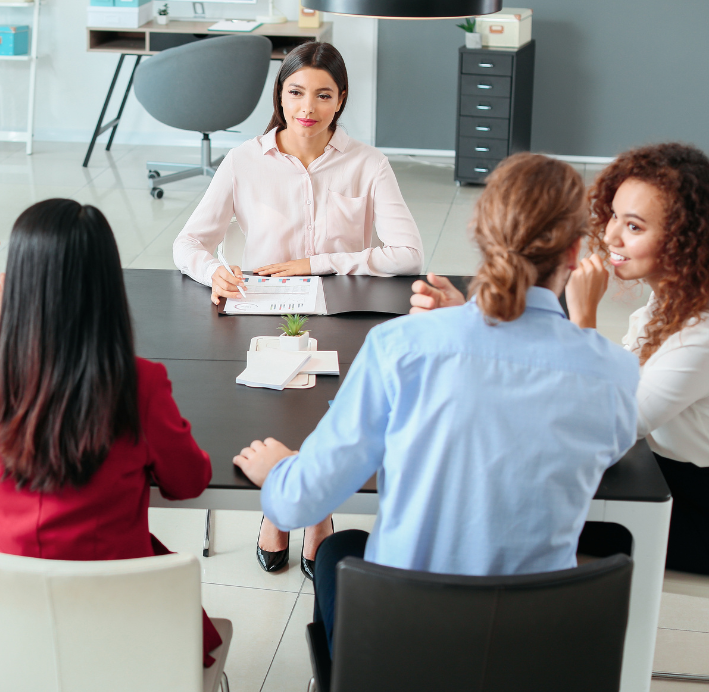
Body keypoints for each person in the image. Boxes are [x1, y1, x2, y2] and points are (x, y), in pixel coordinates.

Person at [232, 153, 639, 654]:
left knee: (339, 547)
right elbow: (604, 451)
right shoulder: (615, 372)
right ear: (576, 252)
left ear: (480, 233)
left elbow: (298, 504)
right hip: (534, 652)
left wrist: (279, 471)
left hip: (406, 646)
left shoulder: (402, 346)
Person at [172, 41, 424, 578]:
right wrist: (212, 270)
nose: (307, 107)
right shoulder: (244, 161)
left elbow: (408, 255)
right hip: (262, 312)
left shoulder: (368, 163)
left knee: (330, 410)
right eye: (295, 92)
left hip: (343, 311)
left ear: (341, 101)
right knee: (271, 407)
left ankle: (314, 511)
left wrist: (316, 261)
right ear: (281, 96)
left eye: (322, 95)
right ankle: (281, 506)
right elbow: (188, 243)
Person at [0, 198, 224, 666]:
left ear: (16, 287)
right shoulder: (138, 385)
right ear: (107, 291)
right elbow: (189, 482)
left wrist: (6, 339)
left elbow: (27, 385)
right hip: (121, 636)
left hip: (8, 635)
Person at [567, 144, 709, 574]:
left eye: (634, 226)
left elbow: (605, 425)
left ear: (685, 238)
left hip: (694, 501)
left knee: (535, 509)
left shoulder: (700, 334)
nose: (611, 236)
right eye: (614, 216)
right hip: (656, 464)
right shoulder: (667, 300)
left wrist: (584, 318)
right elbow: (619, 380)